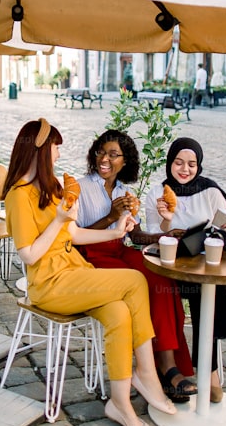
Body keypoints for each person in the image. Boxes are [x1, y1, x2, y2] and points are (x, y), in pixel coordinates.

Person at [3, 118, 176, 426]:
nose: (57, 155)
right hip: (49, 285)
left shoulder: (52, 188)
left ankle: (120, 403)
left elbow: (76, 235)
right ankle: (148, 374)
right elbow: (28, 255)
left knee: (120, 313)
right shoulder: (18, 195)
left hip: (75, 274)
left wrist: (115, 230)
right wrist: (57, 221)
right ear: (40, 150)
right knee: (135, 281)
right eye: (54, 148)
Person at [75, 130, 196, 402]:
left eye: (113, 154)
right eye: (101, 152)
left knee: (162, 277)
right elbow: (73, 236)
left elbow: (136, 236)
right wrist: (111, 217)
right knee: (142, 281)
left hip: (119, 250)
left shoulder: (122, 192)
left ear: (125, 161)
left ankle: (167, 364)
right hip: (90, 256)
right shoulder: (79, 187)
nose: (105, 159)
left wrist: (166, 234)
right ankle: (160, 369)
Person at [144, 137, 226, 403]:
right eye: (178, 162)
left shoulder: (211, 191)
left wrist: (225, 230)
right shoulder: (158, 192)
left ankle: (210, 375)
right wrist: (166, 221)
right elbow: (154, 238)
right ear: (170, 163)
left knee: (205, 288)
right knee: (204, 291)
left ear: (199, 166)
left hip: (210, 267)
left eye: (191, 164)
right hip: (172, 275)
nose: (184, 169)